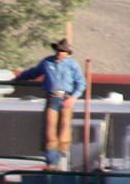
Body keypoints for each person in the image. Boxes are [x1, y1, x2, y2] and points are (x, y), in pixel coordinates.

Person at [15, 38, 86, 171]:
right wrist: (18, 78)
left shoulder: (72, 65)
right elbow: (34, 73)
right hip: (52, 97)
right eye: (59, 50)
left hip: (66, 98)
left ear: (68, 53)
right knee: (50, 130)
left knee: (64, 129)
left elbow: (81, 82)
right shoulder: (47, 62)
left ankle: (57, 160)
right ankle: (51, 162)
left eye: (63, 51)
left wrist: (74, 97)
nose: (60, 53)